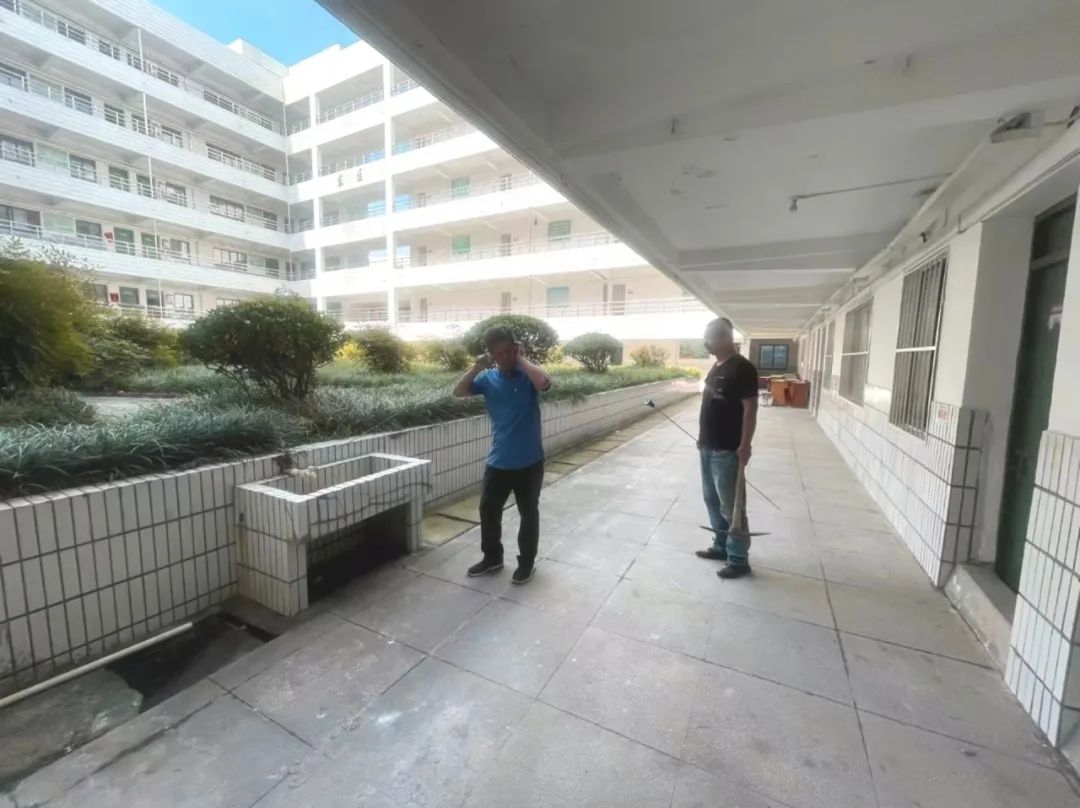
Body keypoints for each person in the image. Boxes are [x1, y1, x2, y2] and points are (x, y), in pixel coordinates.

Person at [452, 326, 552, 584]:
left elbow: (544, 383)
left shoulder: (527, 376)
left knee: (528, 513)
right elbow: (458, 392)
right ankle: (492, 558)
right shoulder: (487, 380)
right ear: (491, 355)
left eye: (509, 351)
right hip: (499, 461)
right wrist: (477, 367)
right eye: (499, 353)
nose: (505, 357)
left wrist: (522, 360)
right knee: (488, 510)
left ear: (516, 349)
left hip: (530, 461)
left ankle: (526, 564)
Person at [694, 317, 759, 579]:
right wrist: (702, 438)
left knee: (732, 505)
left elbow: (750, 410)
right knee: (711, 500)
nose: (705, 342)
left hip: (728, 450)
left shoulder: (742, 368)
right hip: (707, 447)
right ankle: (721, 545)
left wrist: (745, 444)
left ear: (723, 338)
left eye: (708, 337)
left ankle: (739, 559)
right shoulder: (716, 366)